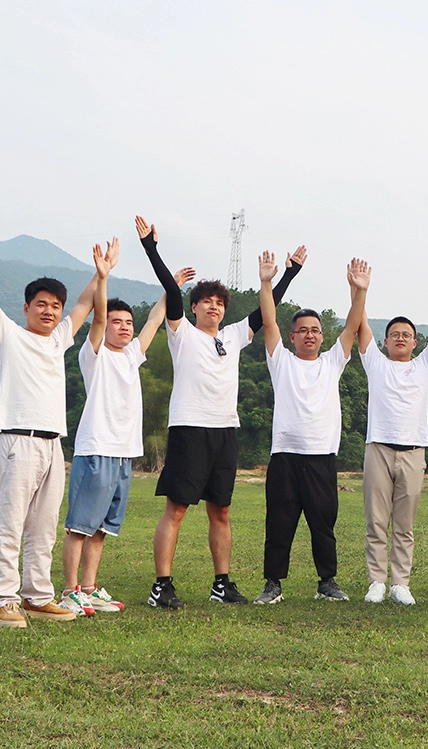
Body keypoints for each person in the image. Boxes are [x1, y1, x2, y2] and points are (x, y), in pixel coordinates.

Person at [0, 223, 102, 628]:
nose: (50, 310)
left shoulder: (60, 339)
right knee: (9, 523)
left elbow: (84, 303)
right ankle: (2, 600)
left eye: (54, 306)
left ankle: (38, 596)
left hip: (52, 444)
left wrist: (101, 273)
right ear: (26, 308)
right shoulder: (8, 333)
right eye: (41, 304)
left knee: (44, 527)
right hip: (17, 441)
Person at [135, 216, 304, 609]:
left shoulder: (232, 336)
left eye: (219, 303)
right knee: (176, 508)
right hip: (189, 428)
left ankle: (221, 583)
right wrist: (151, 249)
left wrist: (287, 274)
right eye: (207, 301)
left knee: (222, 510)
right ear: (194, 307)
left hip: (225, 430)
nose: (214, 306)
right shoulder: (182, 333)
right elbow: (169, 295)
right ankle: (162, 585)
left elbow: (266, 312)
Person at [57, 238, 187, 617]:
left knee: (101, 528)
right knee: (80, 526)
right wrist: (103, 277)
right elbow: (95, 317)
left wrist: (171, 288)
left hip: (123, 454)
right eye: (118, 322)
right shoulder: (93, 355)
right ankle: (68, 592)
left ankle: (89, 588)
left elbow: (155, 319)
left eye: (127, 322)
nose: (125, 327)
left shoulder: (132, 356)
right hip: (96, 449)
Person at [253, 250, 370, 605]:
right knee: (279, 523)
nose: (309, 335)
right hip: (285, 455)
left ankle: (327, 582)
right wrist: (266, 281)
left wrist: (360, 290)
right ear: (291, 337)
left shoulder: (333, 361)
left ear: (322, 336)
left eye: (315, 330)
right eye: (302, 330)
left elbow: (352, 325)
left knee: (323, 523)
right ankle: (273, 584)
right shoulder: (281, 362)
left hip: (321, 456)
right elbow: (268, 321)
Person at [357, 268, 428, 605]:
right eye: (394, 334)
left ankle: (400, 582)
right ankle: (376, 580)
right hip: (379, 449)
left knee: (404, 524)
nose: (400, 338)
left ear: (416, 341)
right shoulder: (375, 362)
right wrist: (360, 291)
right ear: (385, 341)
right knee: (376, 521)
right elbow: (359, 324)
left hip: (414, 452)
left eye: (406, 334)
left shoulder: (424, 363)